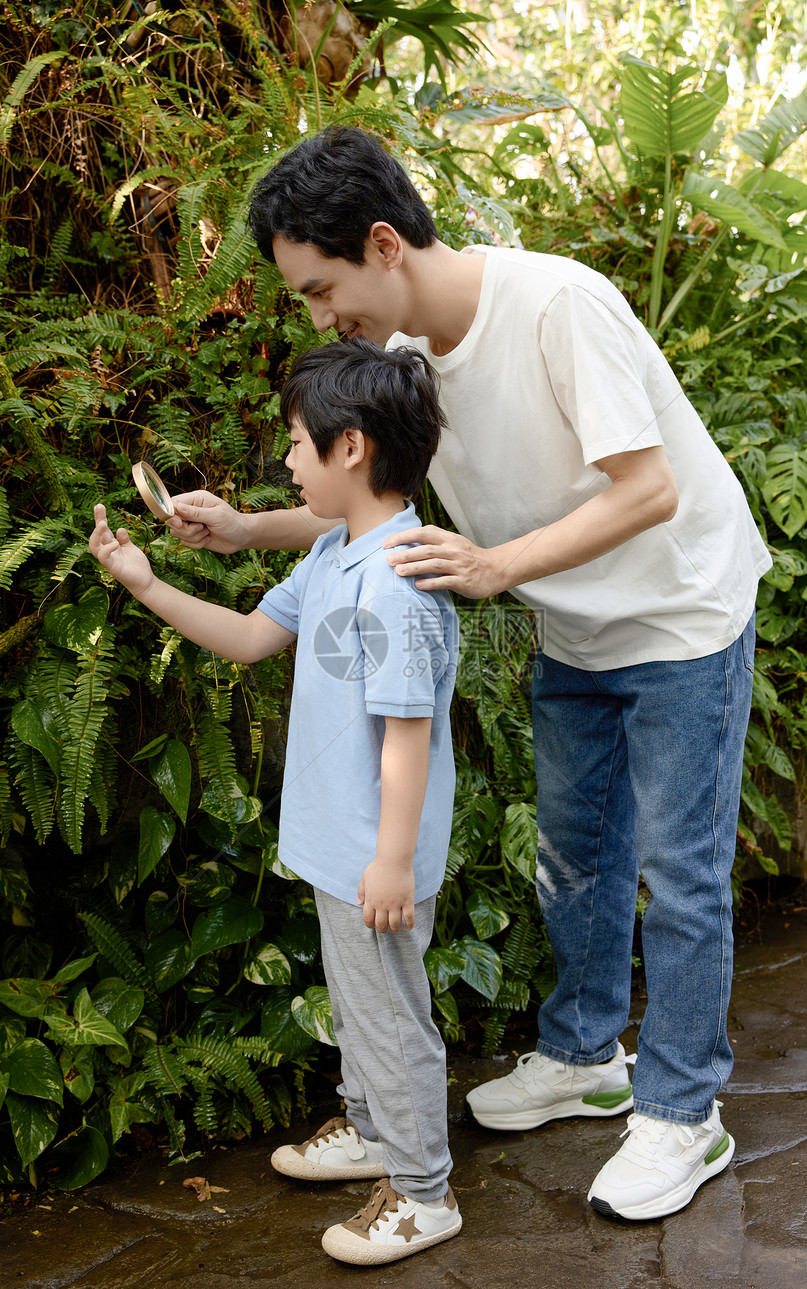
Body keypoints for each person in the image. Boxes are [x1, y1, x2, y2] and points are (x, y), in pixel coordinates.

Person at [165, 125, 772, 1223]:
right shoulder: (408, 366)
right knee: (573, 861)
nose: (316, 318)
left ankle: (683, 1111)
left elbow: (646, 491)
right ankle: (584, 1055)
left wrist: (494, 566)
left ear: (384, 243)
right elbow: (357, 499)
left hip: (681, 613)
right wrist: (239, 529)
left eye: (319, 288)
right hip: (575, 626)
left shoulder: (555, 306)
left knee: (679, 876)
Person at [90, 338, 462, 1266]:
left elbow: (409, 734)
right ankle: (376, 1129)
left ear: (351, 449)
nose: (285, 461)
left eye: (296, 441)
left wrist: (390, 856)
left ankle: (424, 1189)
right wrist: (146, 583)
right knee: (360, 998)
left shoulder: (403, 579)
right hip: (344, 843)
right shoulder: (338, 552)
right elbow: (253, 637)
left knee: (389, 1011)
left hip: (377, 850)